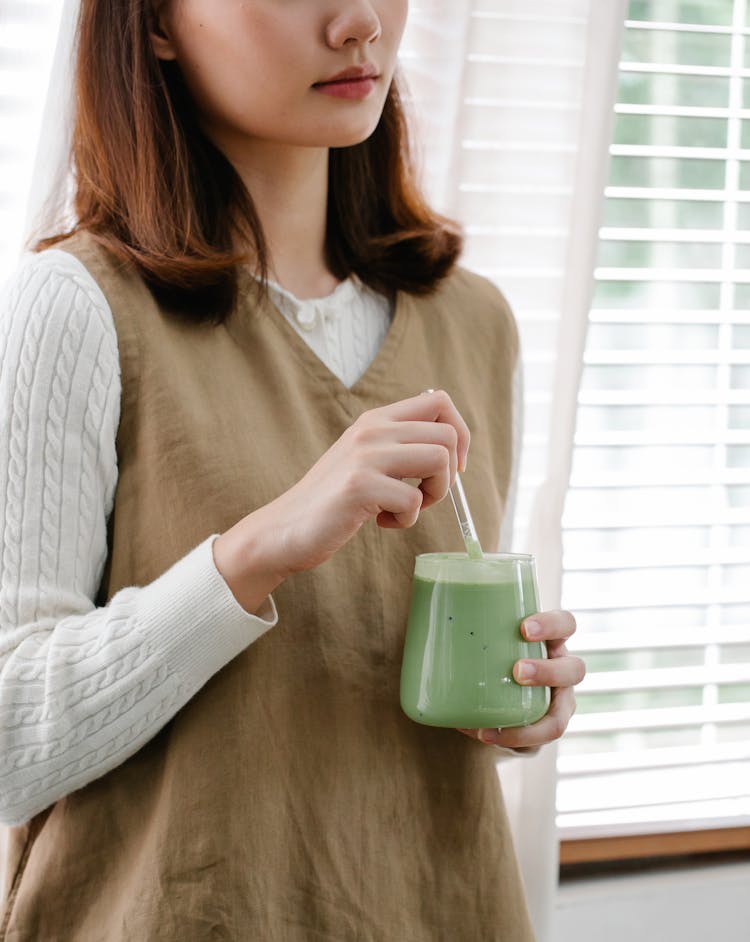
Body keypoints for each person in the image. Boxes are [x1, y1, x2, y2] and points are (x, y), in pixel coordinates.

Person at [0, 1, 586, 939]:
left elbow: (370, 691)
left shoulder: (476, 321)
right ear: (154, 24)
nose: (357, 21)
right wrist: (256, 551)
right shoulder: (76, 308)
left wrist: (517, 703)